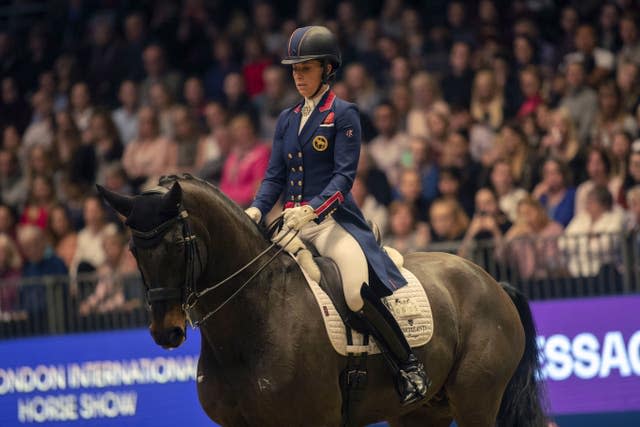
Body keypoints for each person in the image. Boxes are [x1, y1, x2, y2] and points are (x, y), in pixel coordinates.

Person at [243, 26, 429, 405]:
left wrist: (312, 209)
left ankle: (409, 367)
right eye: (294, 70)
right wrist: (257, 208)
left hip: (330, 222)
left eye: (305, 69)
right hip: (289, 225)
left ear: (327, 69)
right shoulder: (286, 118)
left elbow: (344, 178)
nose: (298, 76)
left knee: (356, 291)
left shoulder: (343, 114)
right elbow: (275, 175)